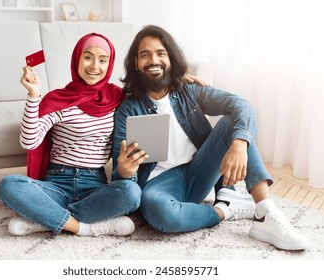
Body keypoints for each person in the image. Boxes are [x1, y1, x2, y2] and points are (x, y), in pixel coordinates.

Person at [111, 25, 309, 251]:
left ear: (171, 58)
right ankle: (226, 208)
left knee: (235, 122)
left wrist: (239, 145)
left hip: (199, 171)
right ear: (136, 64)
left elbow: (241, 106)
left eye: (160, 53)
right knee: (160, 214)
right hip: (158, 186)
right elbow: (120, 176)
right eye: (144, 55)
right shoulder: (127, 110)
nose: (153, 60)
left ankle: (265, 212)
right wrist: (124, 171)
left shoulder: (189, 90)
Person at [0, 33, 142, 237]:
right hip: (56, 183)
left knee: (131, 192)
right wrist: (33, 96)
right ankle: (83, 228)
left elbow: (150, 94)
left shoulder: (118, 99)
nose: (94, 66)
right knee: (9, 185)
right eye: (88, 57)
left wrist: (180, 83)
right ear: (77, 59)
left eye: (103, 60)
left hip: (94, 186)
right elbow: (29, 141)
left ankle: (46, 220)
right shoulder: (59, 99)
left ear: (109, 65)